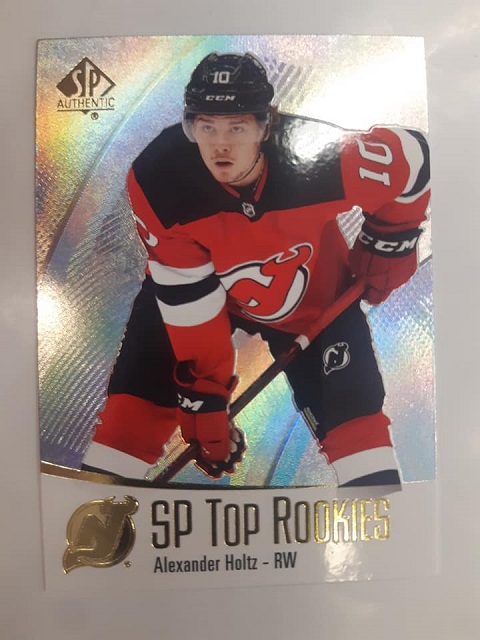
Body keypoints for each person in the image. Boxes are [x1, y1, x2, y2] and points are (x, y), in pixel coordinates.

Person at [82, 52, 430, 486]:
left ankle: (380, 514)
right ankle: (96, 503)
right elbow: (187, 295)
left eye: (237, 127)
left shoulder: (324, 157)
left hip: (313, 301)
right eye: (206, 127)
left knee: (357, 425)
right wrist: (205, 397)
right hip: (198, 288)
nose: (220, 145)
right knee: (132, 412)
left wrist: (389, 240)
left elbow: (414, 158)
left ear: (267, 125)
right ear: (189, 126)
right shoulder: (158, 179)